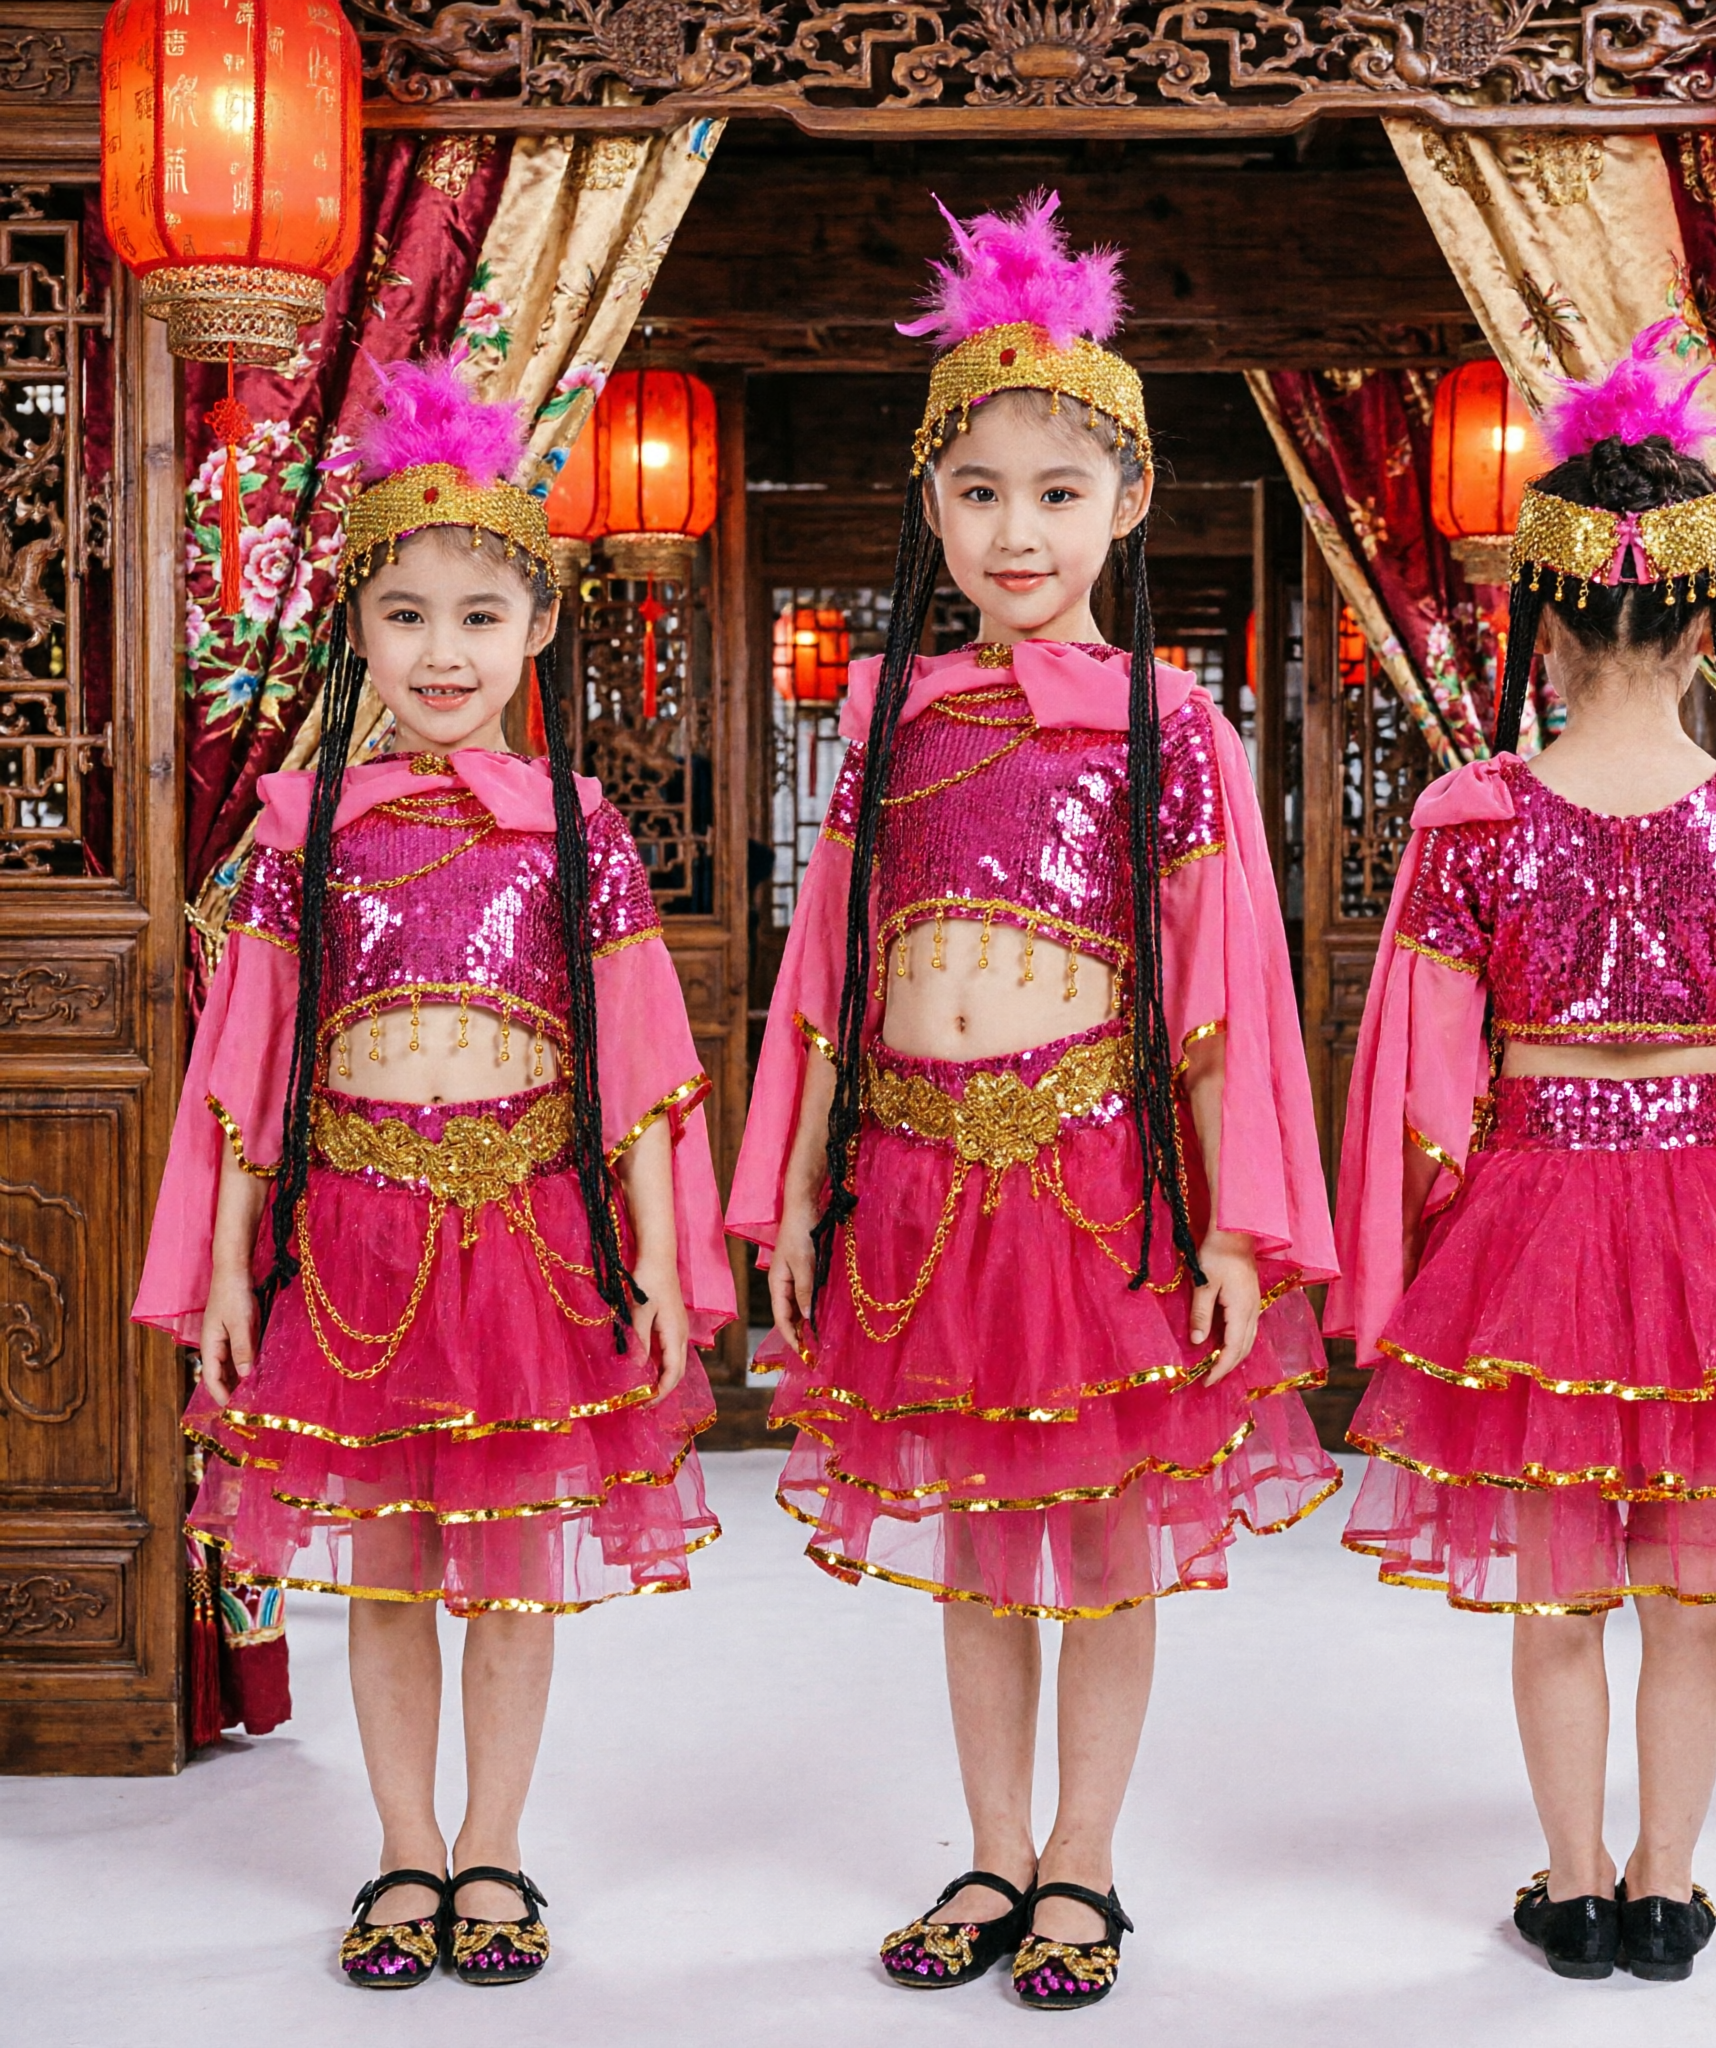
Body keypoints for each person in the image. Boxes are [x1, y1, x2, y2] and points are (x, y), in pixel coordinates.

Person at [727, 193, 1338, 2010]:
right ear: (930, 507)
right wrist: (795, 1187)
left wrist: (1235, 1224)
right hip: (922, 1192)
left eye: (1058, 494)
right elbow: (828, 979)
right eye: (980, 491)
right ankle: (991, 1852)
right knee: (983, 1546)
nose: (1017, 531)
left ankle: (1082, 1861)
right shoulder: (891, 723)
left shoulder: (1173, 725)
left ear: (1127, 506)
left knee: (1104, 1533)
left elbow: (1220, 1000)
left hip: (1101, 1184)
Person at [1327, 322, 1716, 1984]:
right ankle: (1667, 1889)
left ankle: (1574, 1887)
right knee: (1692, 1592)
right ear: (1711, 621)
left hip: (1535, 1210)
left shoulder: (1477, 819)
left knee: (1559, 1591)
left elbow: (1425, 1091)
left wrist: (1422, 1245)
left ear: (1551, 617)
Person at [134, 359, 734, 1989]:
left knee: (513, 1573)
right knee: (393, 1569)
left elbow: (639, 1060)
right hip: (352, 1244)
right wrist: (228, 1270)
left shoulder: (578, 829)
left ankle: (495, 1849)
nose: (444, 651)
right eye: (407, 616)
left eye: (479, 615)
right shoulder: (300, 828)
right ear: (359, 632)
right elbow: (248, 1068)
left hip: (531, 1244)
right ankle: (405, 1851)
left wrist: (659, 1260)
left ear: (535, 630)